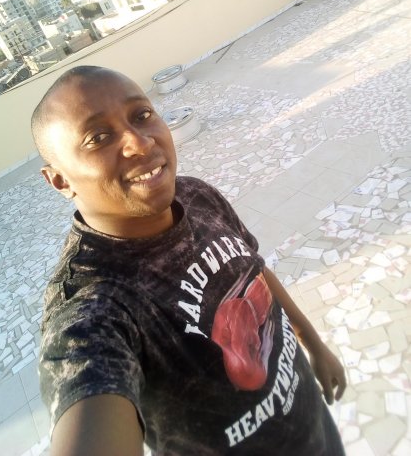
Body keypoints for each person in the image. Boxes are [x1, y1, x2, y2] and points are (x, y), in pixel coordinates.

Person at [31, 65, 346, 456]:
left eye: (142, 115)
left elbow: (255, 271)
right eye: (98, 137)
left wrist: (314, 343)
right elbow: (87, 390)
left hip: (315, 428)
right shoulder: (93, 308)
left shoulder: (195, 196)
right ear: (59, 180)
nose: (140, 142)